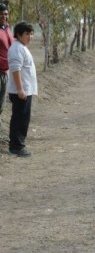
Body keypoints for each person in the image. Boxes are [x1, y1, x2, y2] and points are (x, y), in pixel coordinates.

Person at [7, 22, 37, 157]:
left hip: (25, 90)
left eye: (31, 34)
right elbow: (15, 69)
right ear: (18, 35)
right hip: (21, 91)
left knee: (23, 118)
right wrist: (20, 89)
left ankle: (18, 143)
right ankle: (16, 146)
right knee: (19, 118)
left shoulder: (22, 47)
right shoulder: (17, 48)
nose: (30, 37)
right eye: (27, 34)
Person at [0, 2, 13, 143]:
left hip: (5, 72)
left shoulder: (7, 28)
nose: (4, 16)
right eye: (2, 13)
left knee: (1, 105)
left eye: (6, 13)